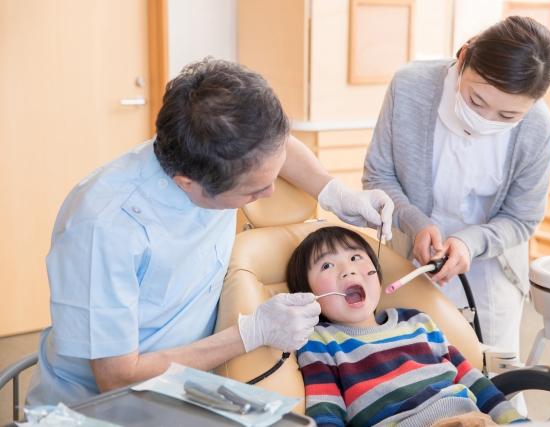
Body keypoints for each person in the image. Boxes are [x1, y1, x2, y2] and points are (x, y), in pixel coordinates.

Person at [26, 58, 394, 405]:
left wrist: (334, 193)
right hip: (106, 407)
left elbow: (275, 149)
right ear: (188, 183)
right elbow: (118, 378)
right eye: (253, 191)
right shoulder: (104, 230)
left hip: (196, 381)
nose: (269, 193)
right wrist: (250, 334)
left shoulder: (225, 135)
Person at [362, 16, 550, 364]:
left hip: (489, 269)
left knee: (493, 380)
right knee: (410, 372)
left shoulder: (538, 127)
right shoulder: (410, 86)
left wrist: (470, 242)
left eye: (508, 115)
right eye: (476, 100)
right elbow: (379, 175)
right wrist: (415, 223)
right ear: (464, 56)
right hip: (408, 256)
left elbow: (522, 218)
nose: (487, 120)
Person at [286, 226, 527, 427]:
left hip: (469, 419)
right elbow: (325, 414)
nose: (347, 270)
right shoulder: (321, 342)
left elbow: (474, 380)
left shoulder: (417, 321)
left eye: (355, 257)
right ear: (307, 295)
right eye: (326, 266)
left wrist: (514, 421)